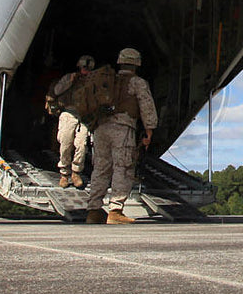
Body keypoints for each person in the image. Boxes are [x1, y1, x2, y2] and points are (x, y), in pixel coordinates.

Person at [84, 47, 158, 224]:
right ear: (136, 64)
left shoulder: (108, 81)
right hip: (122, 129)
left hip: (100, 128)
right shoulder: (137, 82)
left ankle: (93, 210)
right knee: (122, 167)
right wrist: (149, 131)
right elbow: (147, 107)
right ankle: (115, 211)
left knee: (100, 168)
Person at [45, 55, 94, 189]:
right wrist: (70, 81)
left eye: (88, 68)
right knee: (65, 144)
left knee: (81, 145)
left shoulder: (93, 81)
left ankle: (76, 172)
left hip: (83, 116)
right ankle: (64, 174)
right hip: (68, 113)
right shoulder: (69, 78)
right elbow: (56, 91)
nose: (86, 71)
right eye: (84, 68)